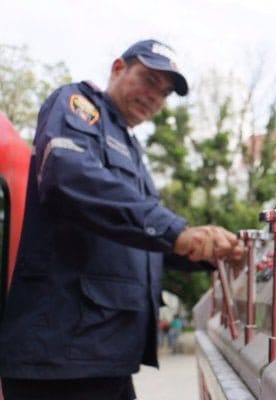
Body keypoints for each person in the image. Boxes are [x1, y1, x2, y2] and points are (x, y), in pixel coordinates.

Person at [0, 39, 244, 400]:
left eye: (163, 94)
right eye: (148, 80)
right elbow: (69, 176)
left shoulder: (132, 151)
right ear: (118, 68)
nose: (154, 97)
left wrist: (209, 252)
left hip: (103, 354)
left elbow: (140, 242)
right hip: (61, 356)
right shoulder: (78, 106)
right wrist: (175, 231)